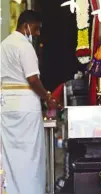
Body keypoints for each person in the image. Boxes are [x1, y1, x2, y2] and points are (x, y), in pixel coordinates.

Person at [0, 10, 62, 194]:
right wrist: (47, 97)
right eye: (36, 29)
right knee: (30, 156)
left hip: (6, 105)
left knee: (10, 155)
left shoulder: (3, 45)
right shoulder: (24, 47)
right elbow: (33, 79)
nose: (37, 33)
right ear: (26, 25)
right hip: (26, 106)